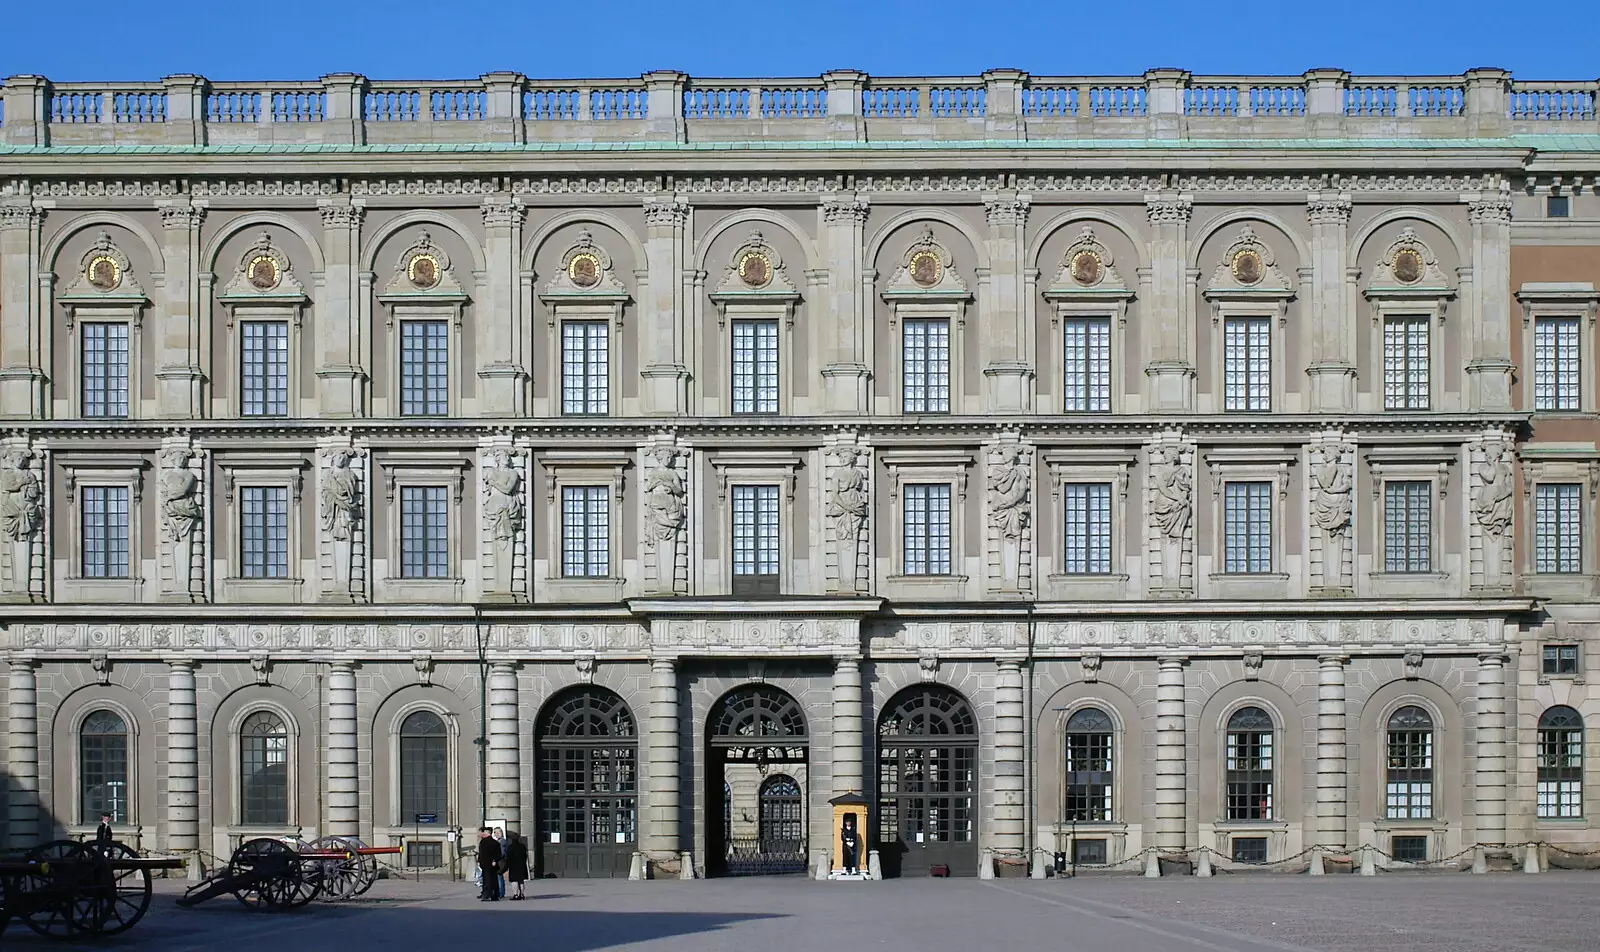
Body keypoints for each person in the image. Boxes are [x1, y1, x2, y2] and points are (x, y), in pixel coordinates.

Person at [477, 828, 503, 901]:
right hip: (493, 864)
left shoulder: (483, 842)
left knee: (487, 880)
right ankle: (495, 895)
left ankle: (487, 895)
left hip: (485, 864)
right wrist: (495, 860)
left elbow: (481, 854)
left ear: (487, 833)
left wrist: (479, 861)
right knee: (494, 879)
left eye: (484, 832)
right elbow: (499, 854)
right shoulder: (496, 843)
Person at [505, 831, 529, 900]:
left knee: (514, 881)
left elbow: (508, 858)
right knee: (521, 880)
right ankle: (522, 894)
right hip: (522, 865)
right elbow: (525, 856)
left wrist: (506, 867)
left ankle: (515, 894)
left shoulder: (510, 847)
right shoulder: (522, 846)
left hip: (513, 866)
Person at [495, 828, 508, 900]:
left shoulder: (502, 841)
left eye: (496, 832)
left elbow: (502, 852)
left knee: (499, 876)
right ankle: (500, 892)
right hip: (500, 861)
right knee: (499, 877)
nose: (495, 834)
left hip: (500, 862)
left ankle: (501, 892)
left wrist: (496, 858)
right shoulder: (500, 841)